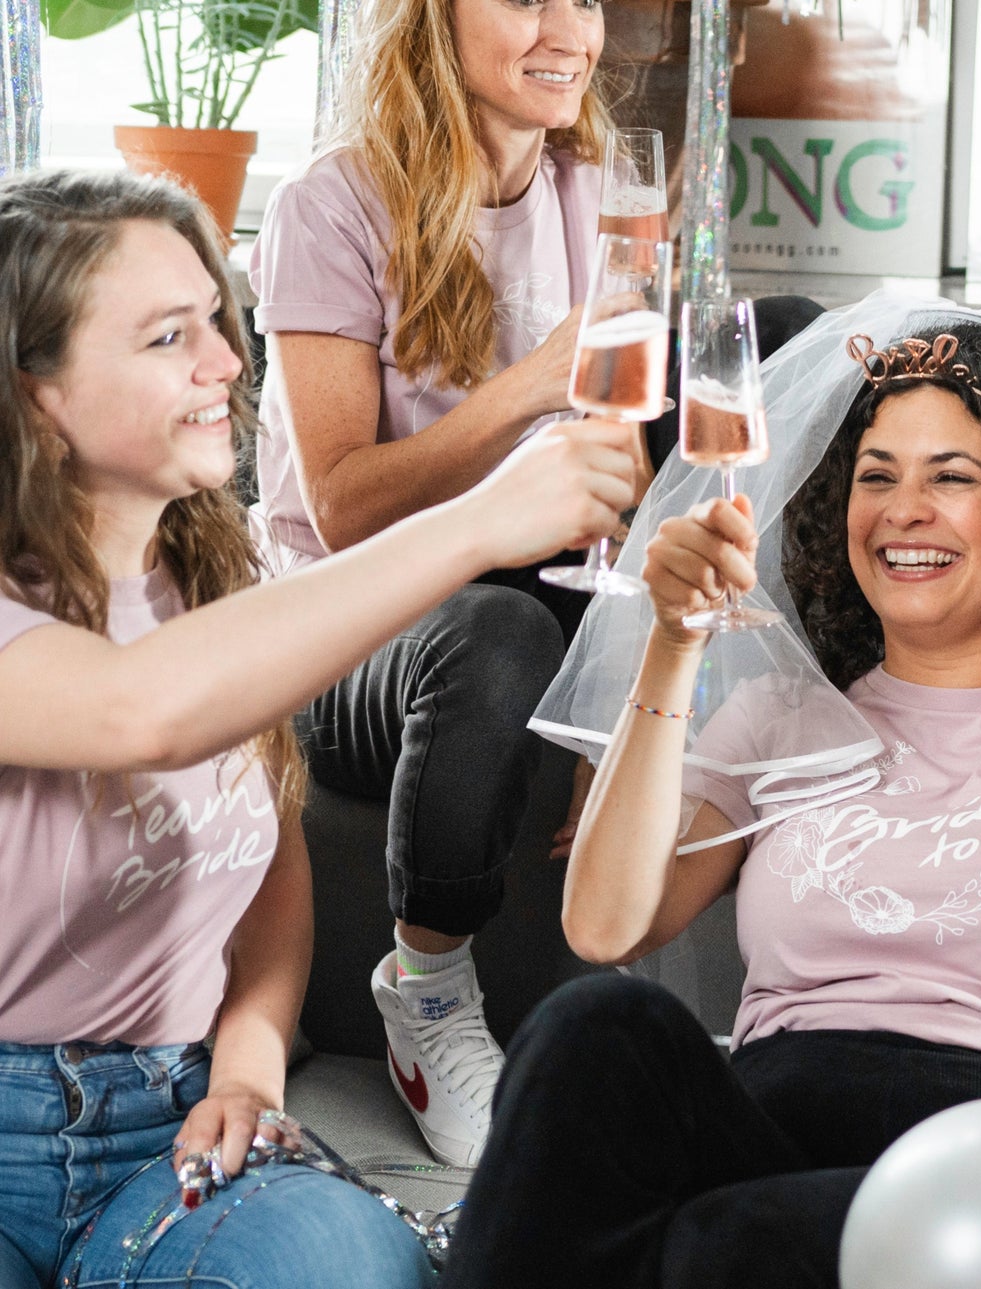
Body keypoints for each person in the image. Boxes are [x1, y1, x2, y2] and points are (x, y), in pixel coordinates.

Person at [444, 295, 981, 1289]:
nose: (901, 510)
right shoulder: (774, 714)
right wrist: (673, 646)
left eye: (952, 476)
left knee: (722, 1242)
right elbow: (604, 925)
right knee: (595, 1026)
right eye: (875, 475)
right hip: (766, 1119)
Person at [0, 169, 635, 1288]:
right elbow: (136, 711)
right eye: (166, 337)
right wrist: (483, 520)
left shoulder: (202, 581)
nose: (226, 364)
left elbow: (270, 856)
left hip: (166, 1124)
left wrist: (247, 1062)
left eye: (216, 319)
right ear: (35, 392)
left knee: (349, 1265)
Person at [249, 0, 625, 1163]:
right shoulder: (330, 205)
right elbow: (344, 504)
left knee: (786, 346)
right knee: (499, 635)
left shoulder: (598, 191)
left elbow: (624, 470)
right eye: (526, 0)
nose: (569, 27)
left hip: (528, 577)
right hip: (349, 626)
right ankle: (425, 987)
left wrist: (618, 695)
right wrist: (531, 382)